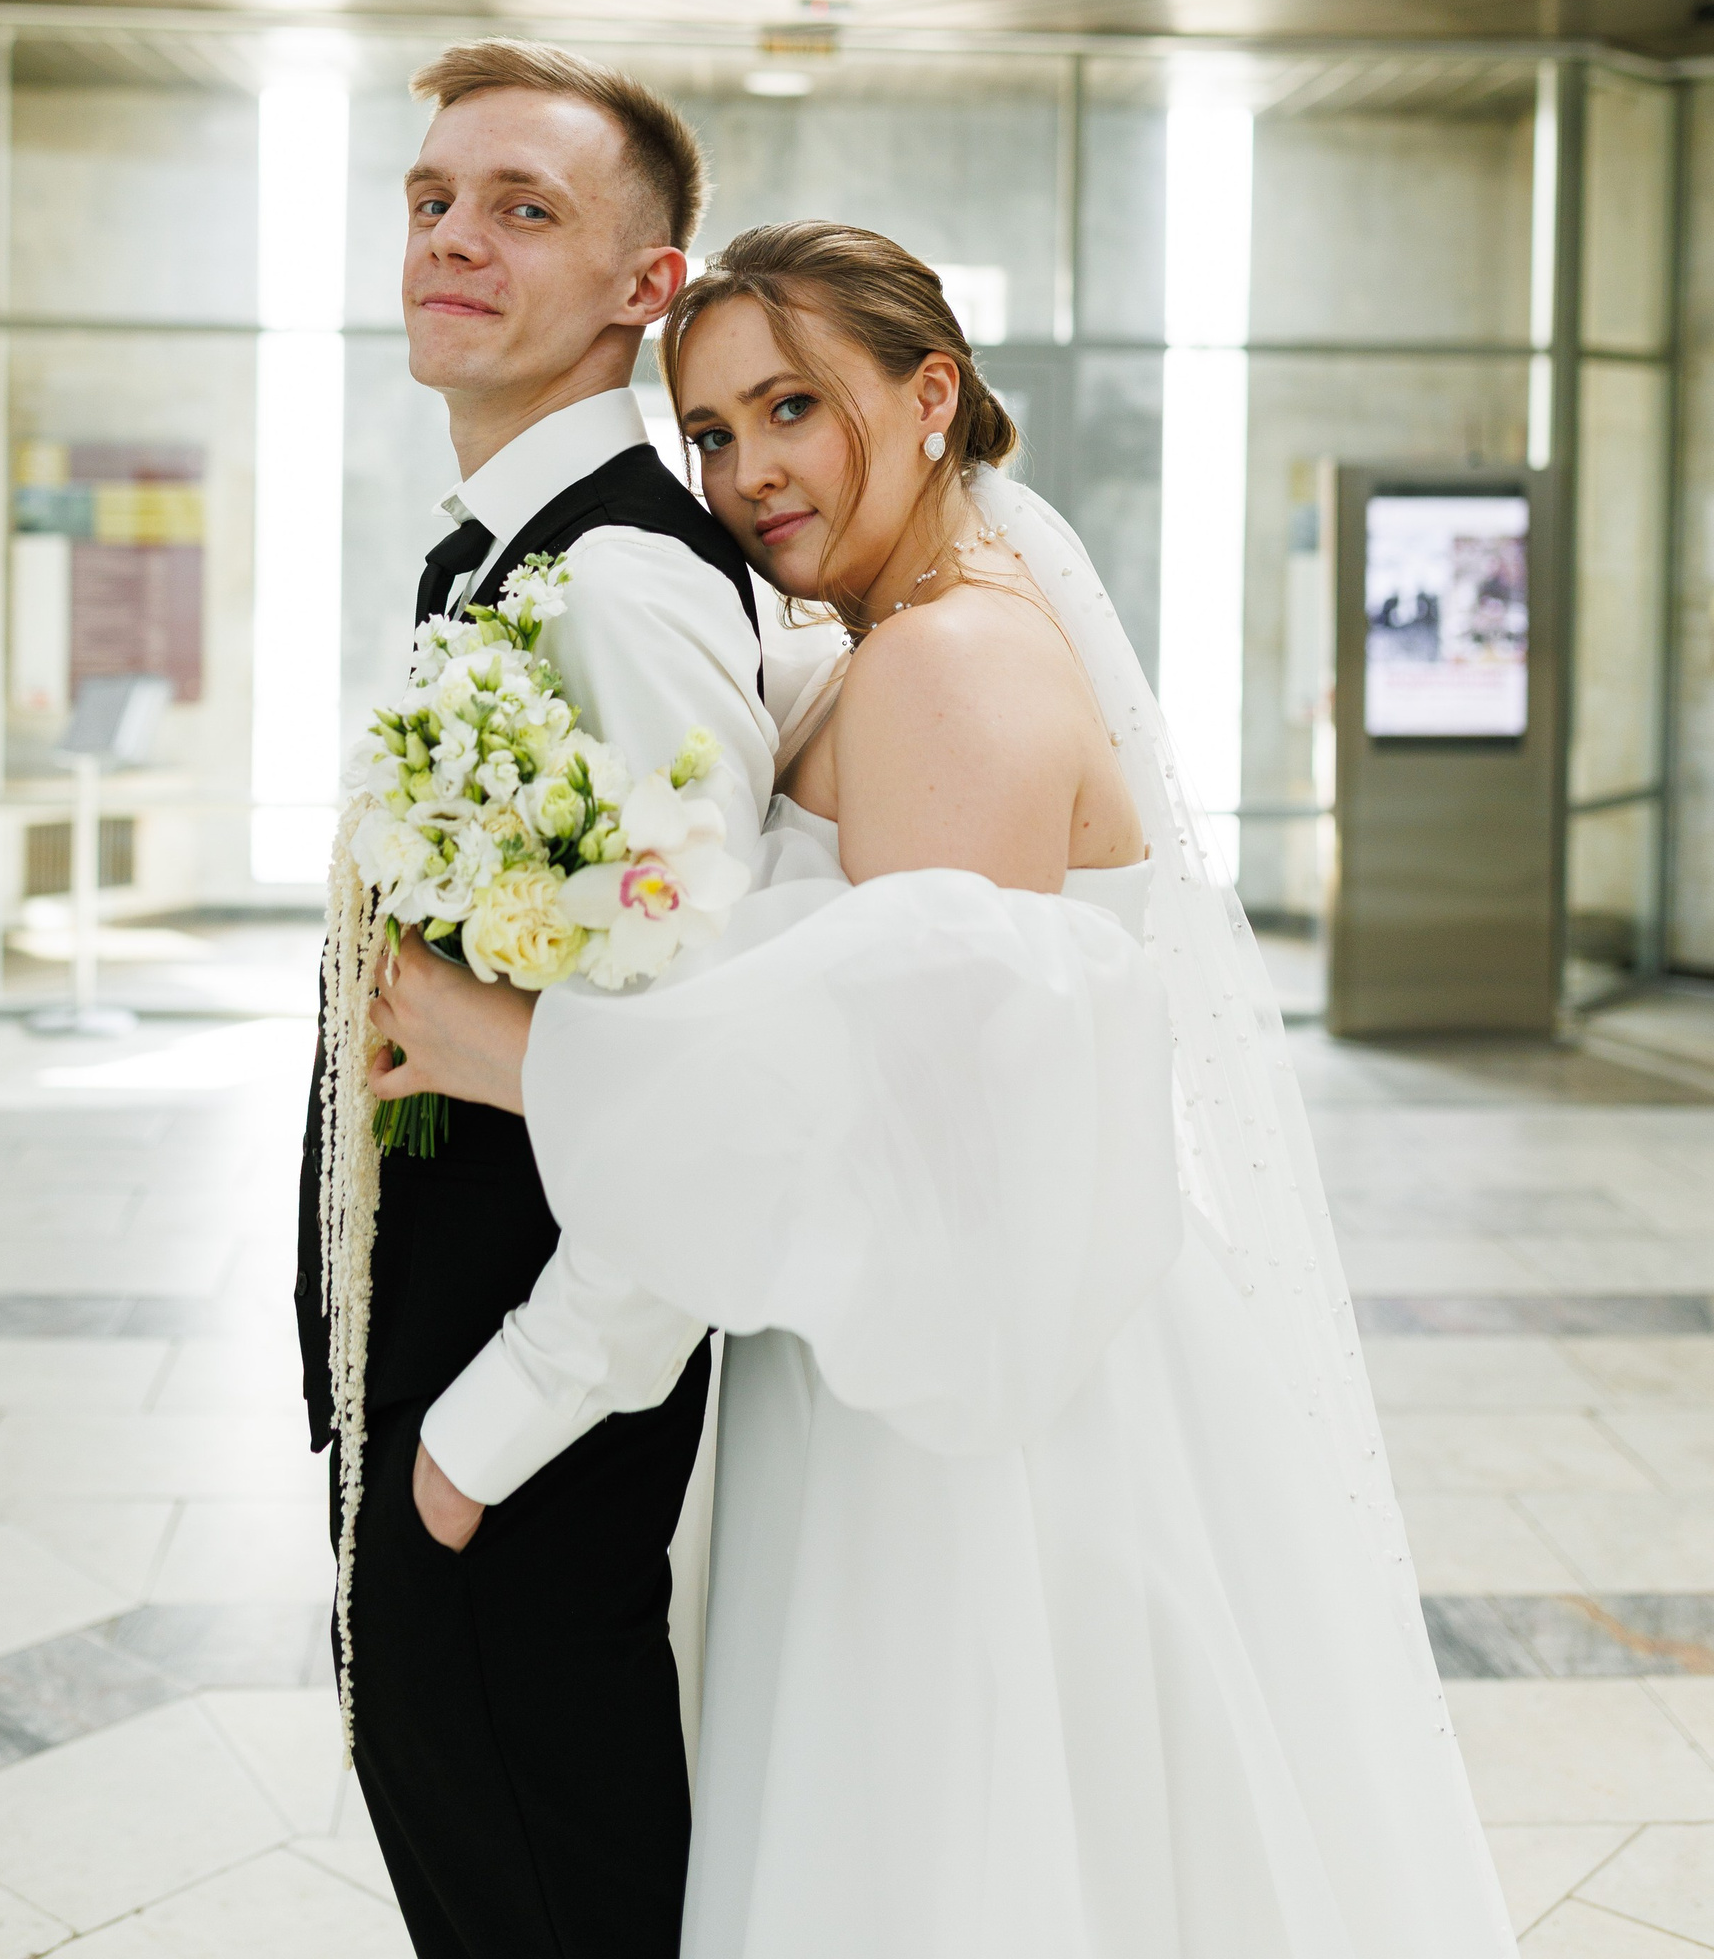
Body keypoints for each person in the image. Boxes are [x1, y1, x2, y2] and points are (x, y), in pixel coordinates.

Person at [377, 217, 1518, 1958]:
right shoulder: (898, 640)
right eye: (710, 432)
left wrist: (512, 1058)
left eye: (793, 409)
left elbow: (890, 1110)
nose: (747, 474)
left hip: (967, 1427)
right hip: (917, 1350)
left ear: (931, 398)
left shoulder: (950, 667)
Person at [296, 41, 774, 1959]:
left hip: (521, 1432)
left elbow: (714, 1085)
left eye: (522, 208)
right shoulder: (503, 556)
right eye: (431, 199)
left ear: (648, 285)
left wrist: (474, 1445)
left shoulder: (625, 588)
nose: (451, 240)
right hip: (437, 1373)